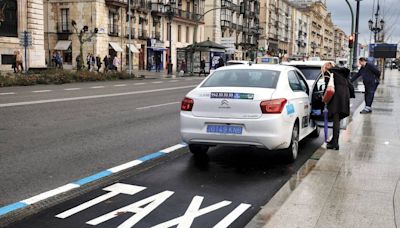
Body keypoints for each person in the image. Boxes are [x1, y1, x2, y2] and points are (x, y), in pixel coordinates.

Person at [321, 62, 352, 150]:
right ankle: (333, 141)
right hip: (344, 97)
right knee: (337, 120)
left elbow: (328, 87)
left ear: (326, 67)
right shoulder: (341, 72)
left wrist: (323, 98)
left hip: (336, 98)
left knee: (336, 121)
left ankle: (335, 143)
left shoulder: (328, 73)